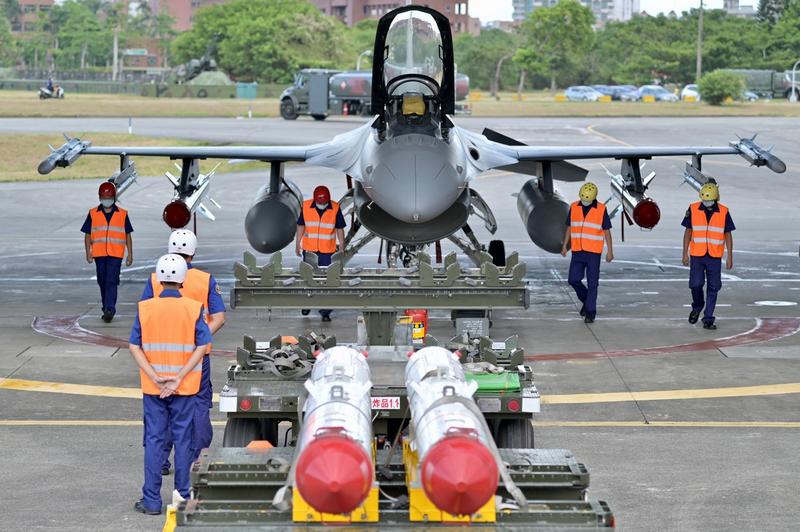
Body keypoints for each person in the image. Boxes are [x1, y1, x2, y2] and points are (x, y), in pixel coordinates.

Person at [129, 254, 211, 515]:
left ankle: (151, 500)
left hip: (154, 389)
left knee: (154, 440)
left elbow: (134, 346)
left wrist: (155, 376)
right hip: (184, 387)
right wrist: (178, 376)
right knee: (183, 440)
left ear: (159, 278)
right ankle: (182, 499)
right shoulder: (193, 308)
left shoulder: (145, 308)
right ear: (182, 280)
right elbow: (202, 346)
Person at [140, 230, 226, 474]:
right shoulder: (205, 279)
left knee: (161, 407)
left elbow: (144, 316)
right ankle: (197, 458)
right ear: (193, 252)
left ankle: (162, 461)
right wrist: (197, 340)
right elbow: (219, 318)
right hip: (197, 359)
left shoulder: (155, 279)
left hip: (159, 359)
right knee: (197, 406)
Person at [681, 182, 735, 330]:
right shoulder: (693, 209)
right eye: (704, 201)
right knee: (695, 284)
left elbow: (728, 235)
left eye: (709, 201)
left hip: (714, 256)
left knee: (714, 287)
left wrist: (729, 256)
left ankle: (708, 318)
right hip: (697, 255)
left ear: (716, 198)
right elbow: (688, 233)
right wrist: (684, 253)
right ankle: (697, 306)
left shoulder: (723, 212)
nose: (706, 203)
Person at [561, 182, 614, 323]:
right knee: (573, 280)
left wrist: (610, 251)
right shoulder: (574, 207)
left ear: (593, 198)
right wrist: (565, 245)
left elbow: (607, 231)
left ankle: (590, 312)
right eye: (583, 199)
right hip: (578, 251)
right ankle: (587, 301)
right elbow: (569, 227)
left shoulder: (601, 209)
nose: (584, 202)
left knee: (592, 284)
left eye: (587, 200)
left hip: (593, 253)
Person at [81, 182, 133, 323]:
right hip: (99, 254)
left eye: (109, 197)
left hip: (115, 254)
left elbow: (128, 234)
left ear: (114, 197)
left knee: (111, 281)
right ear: (99, 197)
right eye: (104, 197)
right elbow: (87, 234)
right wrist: (88, 253)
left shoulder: (122, 214)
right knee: (102, 281)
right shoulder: (93, 213)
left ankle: (110, 309)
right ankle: (106, 308)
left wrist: (130, 255)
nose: (106, 199)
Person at [295, 185, 346, 322]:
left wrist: (341, 244)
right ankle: (307, 304)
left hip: (327, 251)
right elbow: (301, 225)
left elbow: (339, 228)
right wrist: (297, 243)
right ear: (315, 199)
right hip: (310, 250)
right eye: (320, 202)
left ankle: (325, 311)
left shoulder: (335, 208)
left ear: (328, 200)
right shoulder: (305, 207)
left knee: (327, 282)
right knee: (308, 279)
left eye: (324, 203)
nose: (322, 204)